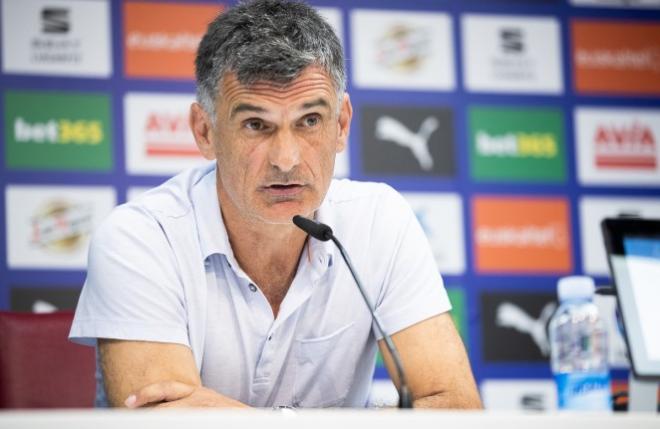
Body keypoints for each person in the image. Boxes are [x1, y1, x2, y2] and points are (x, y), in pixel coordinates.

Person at [69, 0, 482, 409]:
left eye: (309, 121)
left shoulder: (379, 222)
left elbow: (457, 409)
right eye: (256, 125)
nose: (286, 159)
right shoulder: (139, 238)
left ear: (340, 125)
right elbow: (163, 421)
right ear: (205, 132)